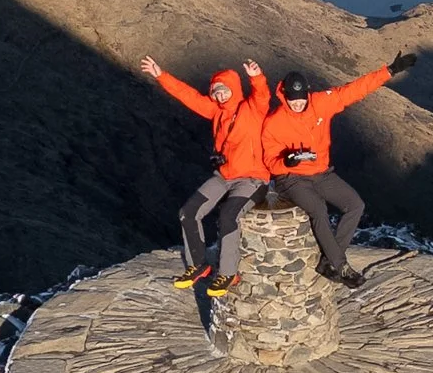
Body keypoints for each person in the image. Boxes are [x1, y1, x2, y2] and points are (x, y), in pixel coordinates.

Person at [259, 51, 417, 285]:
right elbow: (269, 158)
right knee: (319, 210)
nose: (298, 103)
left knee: (355, 205)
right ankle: (341, 267)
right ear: (284, 95)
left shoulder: (321, 103)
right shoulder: (275, 121)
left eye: (301, 98)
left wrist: (389, 71)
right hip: (291, 178)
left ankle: (328, 260)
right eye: (293, 99)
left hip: (321, 173)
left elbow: (353, 91)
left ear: (307, 93)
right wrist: (286, 161)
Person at [141, 55, 269, 290]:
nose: (220, 95)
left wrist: (256, 77)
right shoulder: (216, 112)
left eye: (224, 91)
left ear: (234, 89)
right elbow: (188, 96)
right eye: (216, 92)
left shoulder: (252, 108)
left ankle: (228, 273)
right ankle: (198, 265)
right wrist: (161, 75)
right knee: (188, 213)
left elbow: (262, 95)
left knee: (228, 215)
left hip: (253, 179)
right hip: (224, 176)